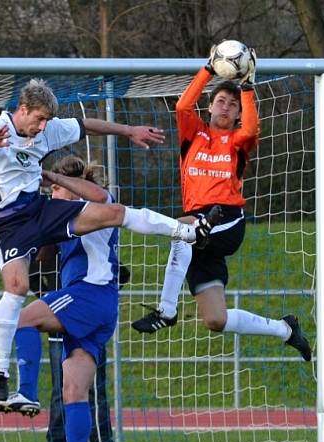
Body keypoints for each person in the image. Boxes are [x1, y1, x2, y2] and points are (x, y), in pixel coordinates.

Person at [0, 78, 219, 414]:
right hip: (8, 224)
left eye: (47, 121)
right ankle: (0, 372)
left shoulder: (47, 129)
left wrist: (128, 131)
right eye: (37, 119)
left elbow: (86, 125)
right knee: (17, 287)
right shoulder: (0, 126)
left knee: (113, 212)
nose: (42, 127)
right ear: (22, 110)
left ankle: (190, 234)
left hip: (40, 209)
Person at [130, 46, 312, 362]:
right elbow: (183, 105)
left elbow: (253, 129)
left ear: (238, 112)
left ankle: (166, 310)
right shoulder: (194, 133)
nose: (226, 107)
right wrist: (209, 69)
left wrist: (248, 89)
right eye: (221, 101)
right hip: (199, 233)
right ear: (210, 106)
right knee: (216, 319)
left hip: (225, 220)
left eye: (232, 104)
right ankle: (285, 329)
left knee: (182, 229)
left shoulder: (239, 141)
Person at [8, 155, 120, 442]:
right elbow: (40, 254)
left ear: (69, 188)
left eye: (55, 188)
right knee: (74, 390)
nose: (52, 193)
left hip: (89, 294)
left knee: (22, 318)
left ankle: (26, 392)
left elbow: (101, 195)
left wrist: (49, 175)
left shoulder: (94, 204)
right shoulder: (65, 220)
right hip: (98, 306)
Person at [25, 244, 117, 442]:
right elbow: (29, 270)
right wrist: (47, 297)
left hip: (87, 319)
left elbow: (118, 271)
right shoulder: (52, 242)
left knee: (92, 386)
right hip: (57, 316)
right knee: (62, 388)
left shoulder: (91, 248)